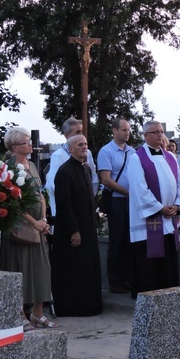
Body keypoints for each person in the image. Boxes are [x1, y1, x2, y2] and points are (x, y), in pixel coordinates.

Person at [0, 127, 55, 329]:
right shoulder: (8, 167)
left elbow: (40, 194)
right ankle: (20, 314)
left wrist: (45, 219)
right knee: (20, 268)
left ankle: (37, 314)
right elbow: (12, 202)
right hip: (20, 227)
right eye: (26, 142)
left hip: (38, 225)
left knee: (41, 269)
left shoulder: (30, 164)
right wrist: (33, 222)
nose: (30, 145)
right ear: (14, 146)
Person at [128, 121, 180, 295]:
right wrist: (160, 209)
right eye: (155, 132)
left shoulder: (171, 157)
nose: (160, 135)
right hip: (149, 225)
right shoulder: (137, 158)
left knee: (168, 267)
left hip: (169, 221)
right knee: (151, 270)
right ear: (145, 136)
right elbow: (139, 189)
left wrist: (177, 206)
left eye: (161, 132)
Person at [52, 135, 103, 316]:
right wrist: (74, 230)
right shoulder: (64, 172)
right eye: (79, 144)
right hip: (73, 230)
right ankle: (73, 308)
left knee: (88, 268)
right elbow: (64, 204)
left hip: (88, 226)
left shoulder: (86, 169)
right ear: (71, 149)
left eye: (86, 144)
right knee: (75, 269)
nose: (84, 147)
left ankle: (91, 306)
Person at [97, 117, 135, 294]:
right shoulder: (106, 151)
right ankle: (114, 280)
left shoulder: (132, 151)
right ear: (114, 131)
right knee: (117, 241)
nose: (127, 133)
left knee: (129, 241)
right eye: (124, 130)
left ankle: (126, 278)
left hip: (131, 202)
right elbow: (106, 179)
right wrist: (128, 192)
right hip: (116, 201)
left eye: (128, 130)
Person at [45, 117, 98, 218]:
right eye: (77, 132)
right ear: (67, 135)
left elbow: (94, 179)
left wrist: (89, 197)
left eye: (81, 132)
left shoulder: (87, 153)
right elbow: (54, 184)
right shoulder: (58, 156)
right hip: (67, 209)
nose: (81, 135)